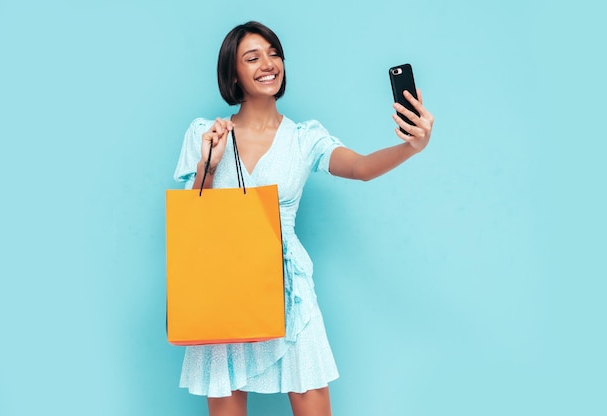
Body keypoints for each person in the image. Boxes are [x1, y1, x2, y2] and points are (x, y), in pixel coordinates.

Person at [174, 21, 434, 416]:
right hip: (225, 287)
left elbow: (361, 167)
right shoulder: (204, 133)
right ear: (232, 73)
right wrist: (210, 161)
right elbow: (195, 218)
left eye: (274, 53)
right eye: (253, 57)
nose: (268, 63)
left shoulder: (304, 137)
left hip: (289, 289)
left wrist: (412, 147)